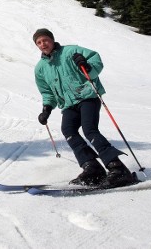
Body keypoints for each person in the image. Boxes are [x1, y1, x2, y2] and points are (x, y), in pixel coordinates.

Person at [32, 28, 135, 188]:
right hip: (68, 104)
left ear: (52, 40)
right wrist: (47, 109)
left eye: (45, 40)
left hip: (88, 96)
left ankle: (118, 169)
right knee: (68, 130)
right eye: (39, 42)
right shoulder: (40, 69)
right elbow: (47, 92)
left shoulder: (71, 51)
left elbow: (95, 59)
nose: (43, 44)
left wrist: (86, 65)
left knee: (90, 130)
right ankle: (92, 168)